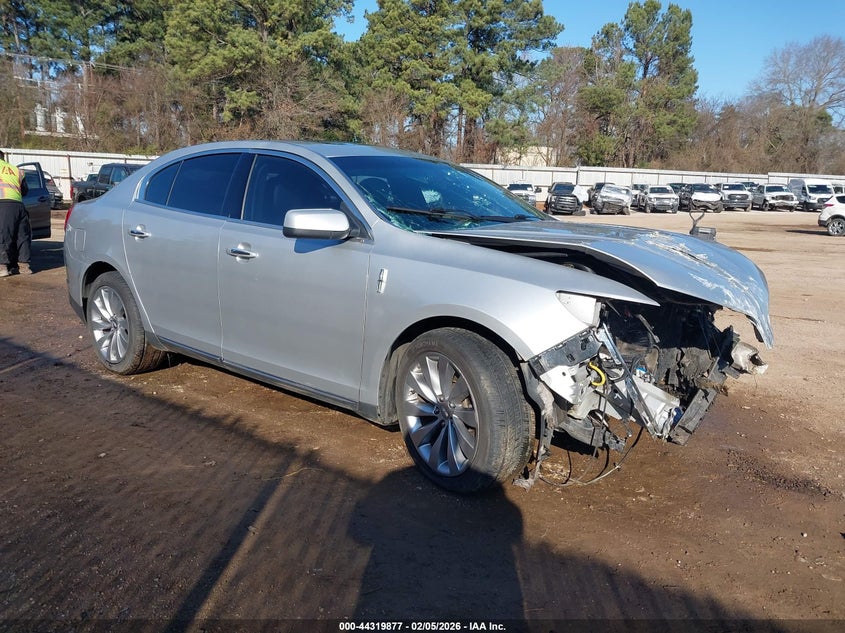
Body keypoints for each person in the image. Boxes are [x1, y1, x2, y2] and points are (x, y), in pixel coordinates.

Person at [0, 149, 31, 278]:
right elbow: (25, 191)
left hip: (3, 204)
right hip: (18, 205)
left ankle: (2, 267)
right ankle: (25, 266)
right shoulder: (16, 170)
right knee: (22, 236)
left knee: (3, 236)